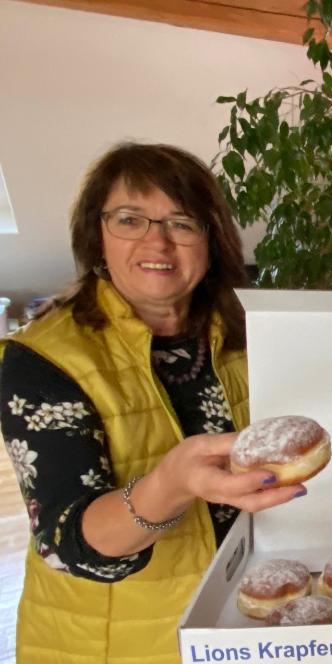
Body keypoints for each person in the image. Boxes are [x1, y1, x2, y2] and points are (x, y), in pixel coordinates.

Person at [0, 143, 305, 663]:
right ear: (96, 236)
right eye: (129, 219)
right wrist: (172, 484)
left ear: (211, 241)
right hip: (119, 643)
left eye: (182, 223)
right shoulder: (42, 360)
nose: (157, 240)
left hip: (245, 622)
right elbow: (69, 543)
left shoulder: (246, 335)